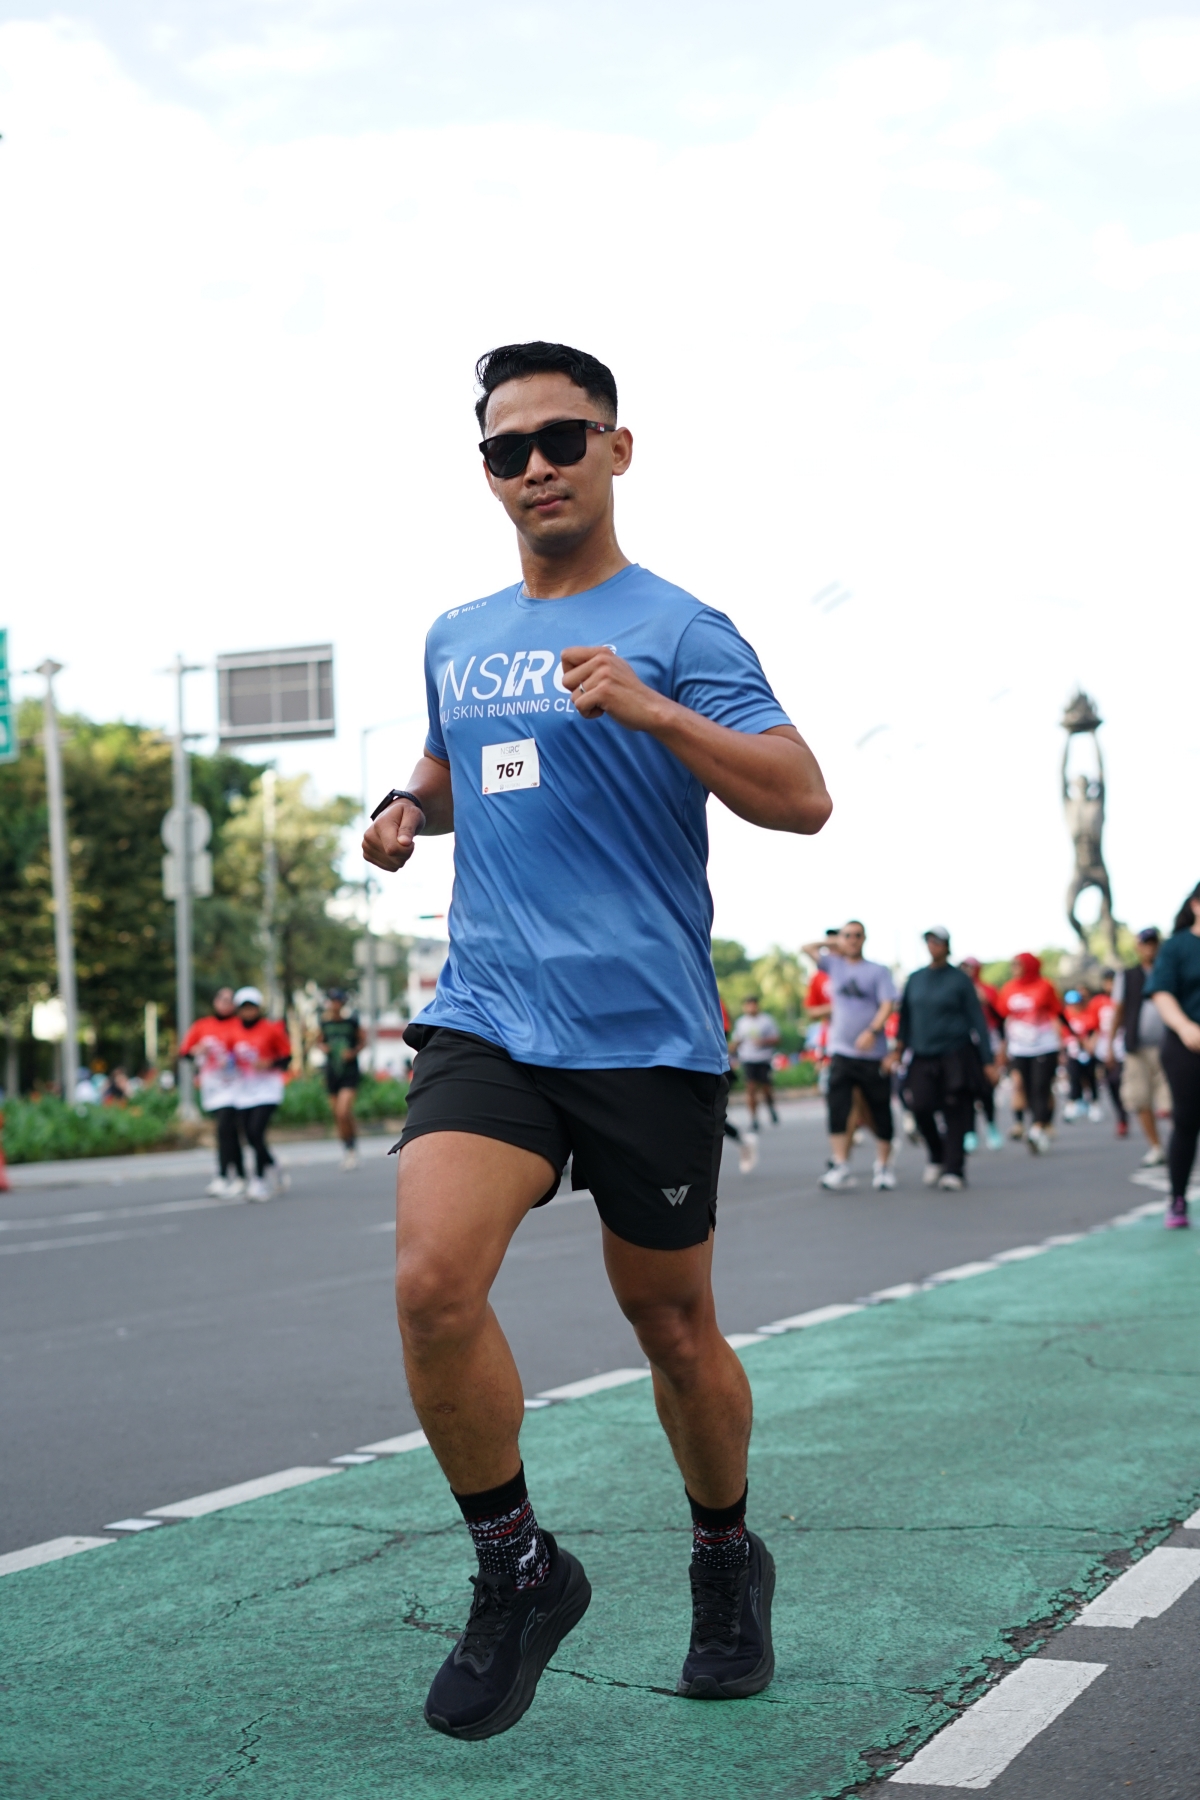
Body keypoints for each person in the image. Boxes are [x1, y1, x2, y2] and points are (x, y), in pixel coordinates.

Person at [362, 340, 831, 1737]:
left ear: (617, 450)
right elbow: (458, 760)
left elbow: (801, 796)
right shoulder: (456, 635)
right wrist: (406, 806)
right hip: (490, 1016)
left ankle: (724, 1557)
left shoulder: (683, 628)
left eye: (562, 438)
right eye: (507, 449)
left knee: (671, 1325)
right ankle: (518, 1568)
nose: (537, 467)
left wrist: (647, 704)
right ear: (488, 474)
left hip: (644, 1033)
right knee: (432, 1281)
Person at [894, 929, 996, 1191]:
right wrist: (898, 1050)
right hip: (922, 1053)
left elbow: (977, 1020)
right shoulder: (916, 979)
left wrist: (987, 1060)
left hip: (955, 1053)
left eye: (938, 942)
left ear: (946, 946)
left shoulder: (959, 980)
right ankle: (937, 1155)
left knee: (955, 1111)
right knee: (919, 1105)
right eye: (929, 942)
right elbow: (905, 1018)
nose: (933, 946)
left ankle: (954, 1169)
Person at [800, 921, 897, 1191]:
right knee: (838, 1108)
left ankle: (884, 1167)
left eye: (857, 935)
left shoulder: (877, 970)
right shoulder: (834, 965)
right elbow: (806, 948)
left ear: (865, 939)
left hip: (872, 1053)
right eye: (848, 936)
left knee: (879, 1110)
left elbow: (888, 1004)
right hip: (841, 1052)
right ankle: (840, 1164)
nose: (852, 940)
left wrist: (872, 1030)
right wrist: (835, 943)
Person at [1146, 883, 1200, 1229]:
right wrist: (1185, 1027)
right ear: (1195, 904)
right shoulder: (1178, 946)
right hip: (1187, 1046)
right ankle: (1177, 1198)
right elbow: (1162, 992)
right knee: (1187, 1121)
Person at [996, 953, 1065, 1154]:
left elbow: (1056, 1015)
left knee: (1040, 1086)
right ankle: (1032, 1122)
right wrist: (1002, 1049)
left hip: (1044, 1045)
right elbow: (1002, 1017)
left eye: (1018, 964)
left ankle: (1037, 1128)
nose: (1014, 968)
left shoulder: (1045, 986)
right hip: (1019, 1048)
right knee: (1022, 1086)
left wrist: (1062, 1046)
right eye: (1013, 964)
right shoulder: (1008, 988)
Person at [180, 987, 244, 1197]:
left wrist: (232, 1058)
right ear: (215, 1001)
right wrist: (198, 1050)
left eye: (230, 1000)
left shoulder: (240, 1025)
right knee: (228, 1133)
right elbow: (185, 1053)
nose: (226, 1003)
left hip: (238, 1086)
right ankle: (238, 1175)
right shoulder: (203, 1025)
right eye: (222, 999)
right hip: (213, 1087)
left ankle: (228, 1176)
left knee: (226, 1129)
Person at [1113, 928, 1169, 1167]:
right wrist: (1110, 1043)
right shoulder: (1127, 975)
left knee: (1172, 1102)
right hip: (1136, 1047)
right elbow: (1118, 1010)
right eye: (1145, 944)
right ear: (1138, 946)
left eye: (1153, 943)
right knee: (1140, 1098)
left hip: (1168, 1046)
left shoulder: (1168, 969)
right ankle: (1156, 1147)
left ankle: (1179, 1144)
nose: (1150, 948)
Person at [230, 987, 293, 1201]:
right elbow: (228, 1056)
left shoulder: (271, 1029)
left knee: (256, 1132)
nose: (248, 1011)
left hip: (268, 1089)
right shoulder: (233, 1030)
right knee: (249, 1136)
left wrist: (270, 1063)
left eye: (252, 1007)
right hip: (243, 1090)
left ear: (258, 1008)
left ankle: (258, 1181)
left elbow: (287, 1057)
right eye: (244, 1007)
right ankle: (273, 1165)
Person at [959, 957, 1004, 1152]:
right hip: (963, 1043)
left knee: (986, 1088)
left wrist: (1001, 1050)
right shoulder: (955, 989)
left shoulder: (987, 990)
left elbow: (1000, 1016)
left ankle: (991, 1125)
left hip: (986, 1041)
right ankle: (969, 1131)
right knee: (965, 1089)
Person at [319, 988, 367, 1171]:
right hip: (332, 1072)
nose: (335, 1005)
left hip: (349, 1072)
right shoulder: (324, 1023)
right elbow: (319, 1040)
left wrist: (352, 1052)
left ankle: (352, 1147)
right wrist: (324, 1048)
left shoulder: (351, 1022)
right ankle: (348, 1148)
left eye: (338, 1001)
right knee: (338, 1117)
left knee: (343, 1111)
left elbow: (363, 1041)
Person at [1082, 969, 1126, 1136]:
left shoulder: (1125, 999)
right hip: (1105, 1048)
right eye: (1108, 982)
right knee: (1112, 1082)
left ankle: (1126, 1109)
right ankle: (1121, 1116)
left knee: (1123, 1080)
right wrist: (1091, 1044)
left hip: (1124, 1046)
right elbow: (1094, 1027)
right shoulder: (1098, 1002)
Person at [729, 995, 780, 1131]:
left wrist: (763, 1042)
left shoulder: (766, 1020)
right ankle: (754, 1118)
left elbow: (777, 1039)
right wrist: (733, 1047)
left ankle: (770, 1107)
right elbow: (737, 1039)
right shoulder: (741, 1023)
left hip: (763, 1058)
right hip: (748, 1059)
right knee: (750, 1088)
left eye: (753, 1004)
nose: (751, 1007)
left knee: (766, 1088)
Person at [719, 997, 758, 1173]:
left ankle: (742, 1139)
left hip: (707, 1066)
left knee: (711, 1114)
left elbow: (722, 1032)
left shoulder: (704, 990)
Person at [1061, 988, 1101, 1122]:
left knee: (1090, 1077)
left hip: (1088, 1051)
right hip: (1073, 1052)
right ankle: (1074, 1103)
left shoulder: (1088, 1014)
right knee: (1074, 1076)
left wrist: (1091, 1044)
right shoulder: (1065, 1016)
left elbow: (1095, 1030)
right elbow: (1063, 1034)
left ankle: (1094, 1104)